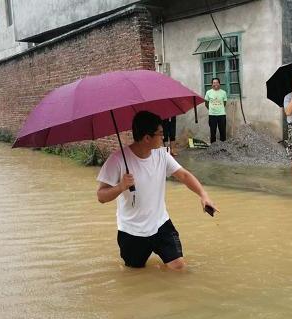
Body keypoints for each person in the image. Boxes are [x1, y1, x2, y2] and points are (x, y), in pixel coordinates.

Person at [96, 111, 218, 270]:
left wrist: (204, 195)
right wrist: (120, 187)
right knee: (134, 274)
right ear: (147, 138)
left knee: (178, 267)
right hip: (132, 231)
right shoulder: (117, 160)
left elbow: (184, 175)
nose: (164, 137)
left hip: (161, 224)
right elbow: (101, 196)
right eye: (160, 134)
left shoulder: (162, 155)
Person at [204, 78, 228, 144]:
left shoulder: (223, 92)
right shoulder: (208, 92)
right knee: (212, 132)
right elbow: (206, 103)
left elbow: (224, 103)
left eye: (217, 82)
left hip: (222, 115)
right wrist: (211, 109)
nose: (215, 84)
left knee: (222, 132)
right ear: (211, 84)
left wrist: (219, 108)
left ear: (219, 84)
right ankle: (213, 148)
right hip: (212, 115)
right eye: (214, 83)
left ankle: (223, 146)